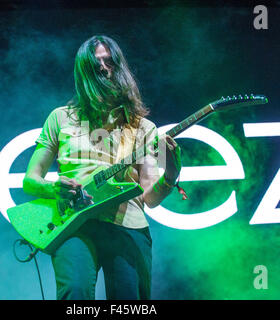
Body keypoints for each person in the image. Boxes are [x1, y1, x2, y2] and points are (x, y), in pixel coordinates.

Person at [23, 35, 181, 300]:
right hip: (75, 223)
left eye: (109, 62)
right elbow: (30, 180)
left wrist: (172, 175)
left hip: (127, 224)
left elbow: (150, 198)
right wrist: (53, 188)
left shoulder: (142, 127)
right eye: (96, 63)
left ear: (120, 68)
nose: (103, 68)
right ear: (84, 71)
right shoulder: (61, 117)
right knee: (75, 292)